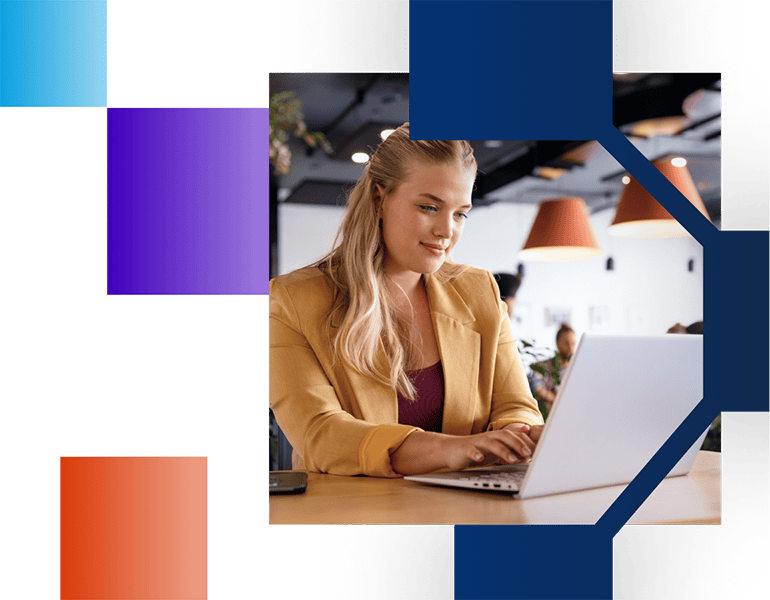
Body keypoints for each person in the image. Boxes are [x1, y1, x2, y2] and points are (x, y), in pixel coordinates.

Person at [268, 123, 544, 478]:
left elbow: (516, 405)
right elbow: (320, 434)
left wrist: (517, 433)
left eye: (460, 213)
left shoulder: (480, 290)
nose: (447, 230)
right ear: (379, 199)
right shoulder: (293, 299)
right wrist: (450, 449)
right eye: (430, 207)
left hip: (469, 512)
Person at [530, 323, 577, 414]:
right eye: (566, 343)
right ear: (557, 343)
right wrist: (557, 400)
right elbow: (536, 387)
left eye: (573, 343)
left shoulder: (577, 367)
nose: (570, 348)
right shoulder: (544, 366)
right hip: (553, 411)